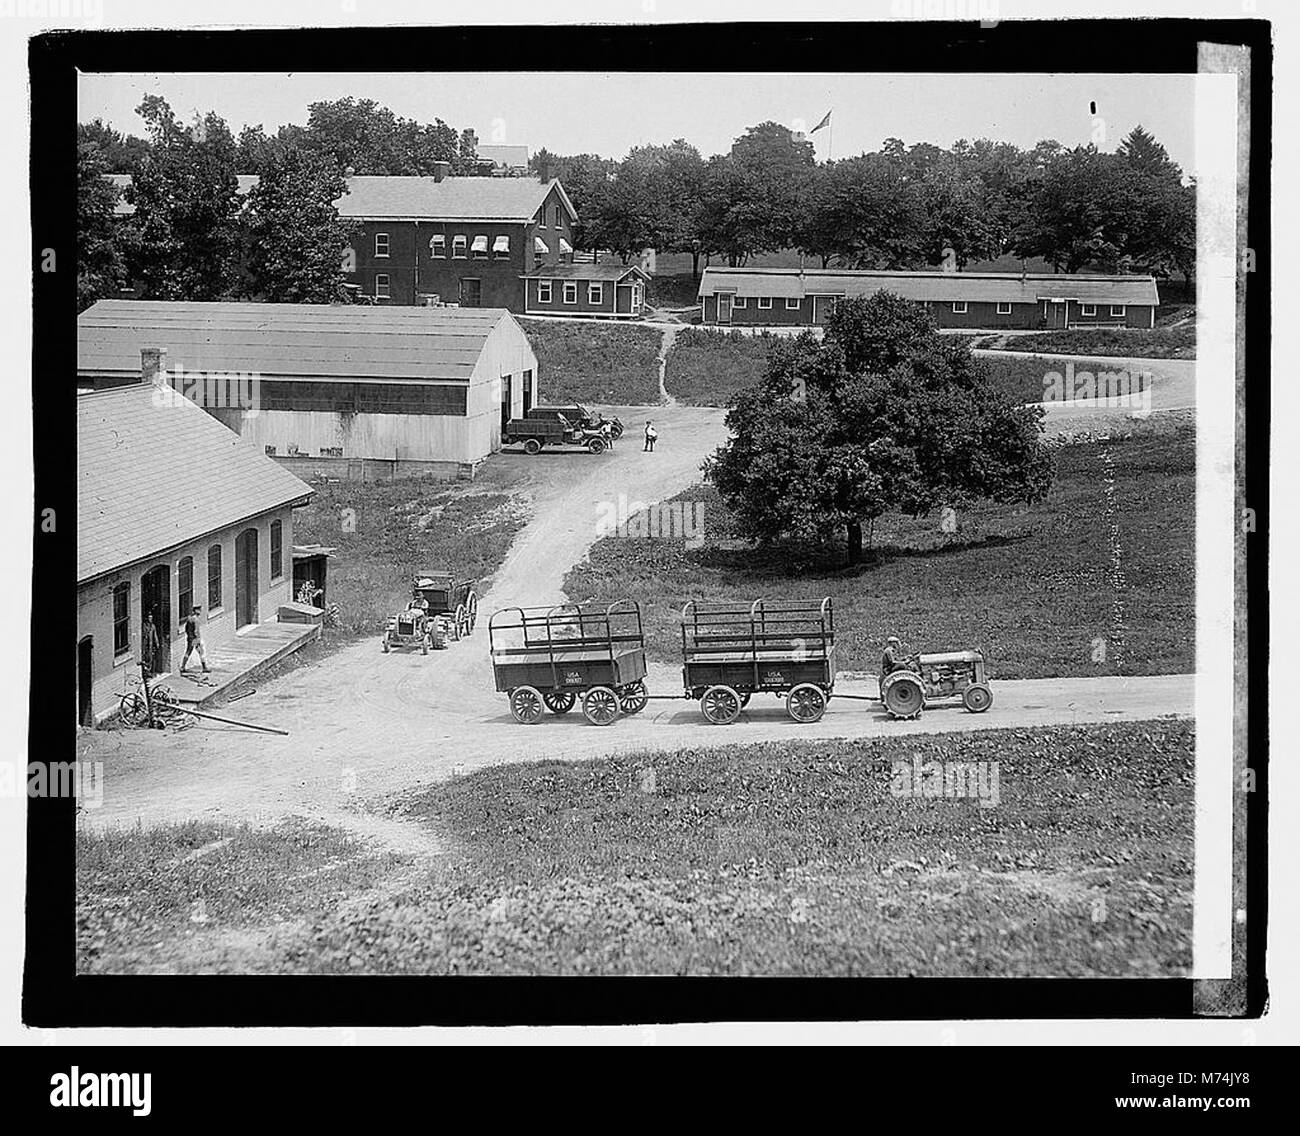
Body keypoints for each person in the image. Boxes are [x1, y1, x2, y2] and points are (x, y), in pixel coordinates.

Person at [180, 604, 210, 674]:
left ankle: (182, 667)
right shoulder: (195, 620)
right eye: (199, 610)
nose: (200, 612)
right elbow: (196, 631)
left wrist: (190, 636)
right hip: (195, 639)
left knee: (188, 652)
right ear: (196, 611)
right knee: (201, 652)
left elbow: (186, 629)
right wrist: (197, 639)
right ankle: (204, 667)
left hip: (190, 639)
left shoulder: (189, 619)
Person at [141, 610, 162, 677]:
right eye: (149, 618)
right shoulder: (144, 626)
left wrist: (157, 643)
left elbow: (155, 635)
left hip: (150, 645)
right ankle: (145, 672)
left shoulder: (153, 626)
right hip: (145, 645)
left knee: (150, 659)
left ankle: (150, 671)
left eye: (151, 618)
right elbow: (143, 634)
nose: (150, 619)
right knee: (145, 658)